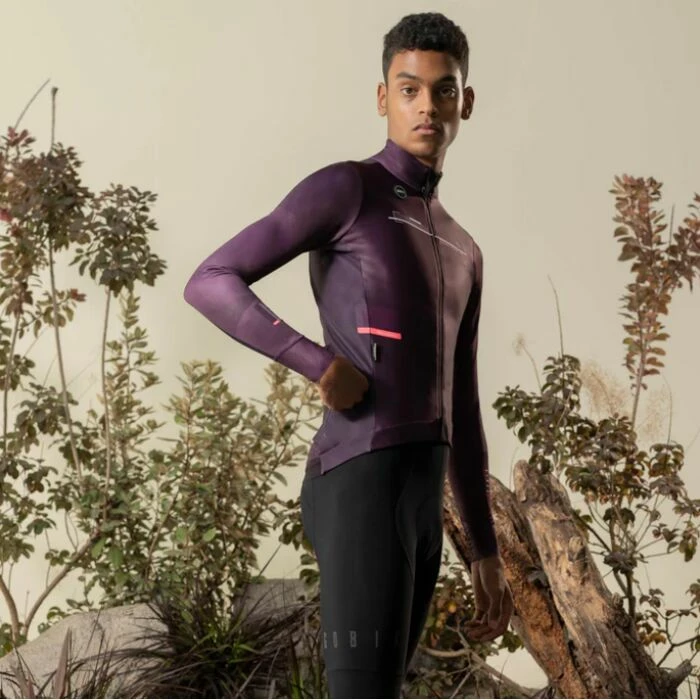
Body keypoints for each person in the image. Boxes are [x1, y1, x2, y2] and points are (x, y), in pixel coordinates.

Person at [183, 11, 514, 698]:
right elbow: (210, 281)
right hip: (361, 479)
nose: (426, 106)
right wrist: (317, 363)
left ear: (466, 102)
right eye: (409, 89)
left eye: (443, 90)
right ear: (383, 97)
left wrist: (484, 549)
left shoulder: (465, 250)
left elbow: (464, 407)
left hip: (422, 503)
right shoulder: (347, 190)